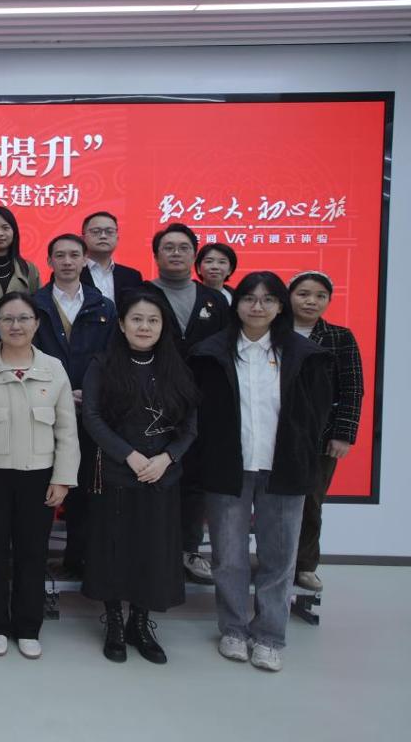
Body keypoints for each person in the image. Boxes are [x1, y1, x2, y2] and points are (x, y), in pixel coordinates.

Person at [189, 272, 332, 672]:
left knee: (279, 558)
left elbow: (317, 414)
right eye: (249, 298)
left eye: (268, 299)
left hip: (283, 468)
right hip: (228, 469)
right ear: (236, 304)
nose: (257, 306)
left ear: (280, 306)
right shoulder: (210, 353)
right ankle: (234, 629)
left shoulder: (304, 354)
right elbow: (199, 412)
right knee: (229, 558)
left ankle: (269, 636)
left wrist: (300, 451)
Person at [80, 291, 199, 665]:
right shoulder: (102, 364)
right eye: (136, 319)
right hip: (116, 472)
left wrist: (167, 458)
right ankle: (114, 622)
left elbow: (190, 427)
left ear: (163, 327)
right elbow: (92, 417)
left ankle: (141, 623)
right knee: (114, 548)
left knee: (153, 550)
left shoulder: (176, 368)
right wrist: (129, 455)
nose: (144, 327)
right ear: (121, 324)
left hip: (160, 475)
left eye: (152, 320)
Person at [0, 292, 79, 660]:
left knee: (32, 554)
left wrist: (62, 478)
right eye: (7, 319)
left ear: (37, 324)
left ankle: (28, 627)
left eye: (24, 318)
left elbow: (67, 430)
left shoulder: (53, 368)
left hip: (39, 478)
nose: (16, 326)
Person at [140, 222, 231, 584]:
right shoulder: (141, 295)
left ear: (195, 255)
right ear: (156, 255)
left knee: (194, 478)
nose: (176, 253)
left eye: (183, 248)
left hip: (202, 402)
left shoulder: (214, 300)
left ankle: (188, 550)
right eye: (168, 247)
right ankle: (151, 550)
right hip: (150, 401)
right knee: (151, 476)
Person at [31, 233, 117, 579]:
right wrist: (59, 393)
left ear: (84, 260)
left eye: (74, 255)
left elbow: (111, 360)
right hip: (41, 411)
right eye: (60, 255)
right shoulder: (34, 305)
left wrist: (90, 394)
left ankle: (78, 561)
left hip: (89, 413)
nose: (67, 261)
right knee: (40, 488)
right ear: (49, 261)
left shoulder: (104, 307)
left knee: (84, 489)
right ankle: (34, 566)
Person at [289, 271, 363, 592]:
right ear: (289, 296)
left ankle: (305, 565)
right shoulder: (272, 332)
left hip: (321, 436)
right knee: (271, 504)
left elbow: (352, 388)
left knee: (311, 501)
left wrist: (344, 433)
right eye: (303, 294)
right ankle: (275, 561)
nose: (311, 301)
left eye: (320, 296)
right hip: (275, 434)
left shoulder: (339, 337)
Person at [0, 206, 40, 307]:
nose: (0, 233)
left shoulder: (29, 269)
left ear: (14, 232)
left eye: (5, 228)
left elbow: (38, 307)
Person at [80, 211, 143, 302]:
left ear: (117, 238)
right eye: (96, 232)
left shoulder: (132, 276)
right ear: (83, 238)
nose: (103, 236)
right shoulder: (73, 273)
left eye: (109, 232)